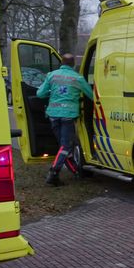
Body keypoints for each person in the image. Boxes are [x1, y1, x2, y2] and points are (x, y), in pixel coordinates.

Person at [36, 52, 93, 186]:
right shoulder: (77, 78)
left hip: (53, 116)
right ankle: (53, 173)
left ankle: (76, 171)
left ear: (61, 63)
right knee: (66, 146)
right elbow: (91, 95)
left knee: (64, 146)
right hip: (68, 116)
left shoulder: (52, 75)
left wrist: (52, 92)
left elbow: (40, 94)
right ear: (74, 64)